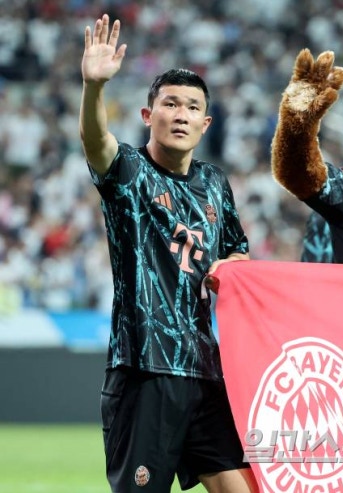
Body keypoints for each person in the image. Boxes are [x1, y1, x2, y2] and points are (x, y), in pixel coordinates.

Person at [80, 14, 257, 493]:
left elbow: (238, 255)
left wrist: (229, 268)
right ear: (147, 115)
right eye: (170, 103)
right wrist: (94, 88)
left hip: (204, 368)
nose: (181, 114)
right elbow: (96, 142)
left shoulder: (215, 183)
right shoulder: (130, 171)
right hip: (144, 368)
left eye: (192, 107)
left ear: (205, 123)